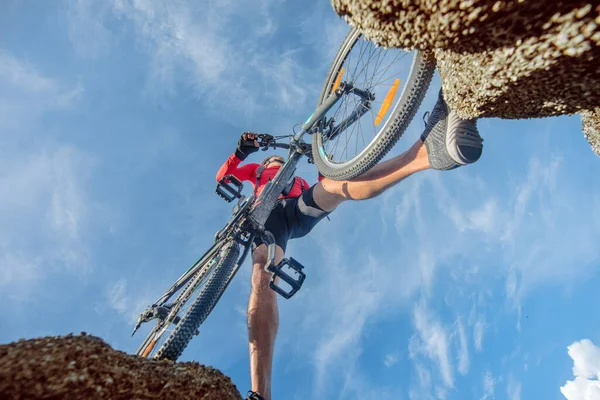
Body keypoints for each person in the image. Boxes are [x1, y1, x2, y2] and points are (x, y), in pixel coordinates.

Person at [216, 90, 483, 400]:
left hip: (295, 212)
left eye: (279, 158)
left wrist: (320, 160)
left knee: (334, 186)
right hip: (266, 213)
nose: (276, 159)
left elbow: (323, 176)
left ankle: (425, 153)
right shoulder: (258, 171)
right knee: (263, 274)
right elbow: (224, 176)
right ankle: (261, 393)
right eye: (272, 158)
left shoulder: (298, 181)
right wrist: (240, 152)